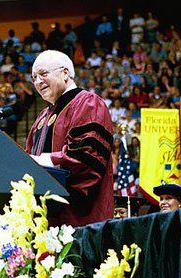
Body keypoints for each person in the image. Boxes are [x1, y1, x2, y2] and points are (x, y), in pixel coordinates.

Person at [25, 50, 114, 227]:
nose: (37, 82)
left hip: (78, 217)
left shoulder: (87, 103)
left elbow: (86, 159)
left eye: (43, 74)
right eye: (34, 77)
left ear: (65, 72)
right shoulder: (42, 117)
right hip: (42, 220)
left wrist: (43, 160)